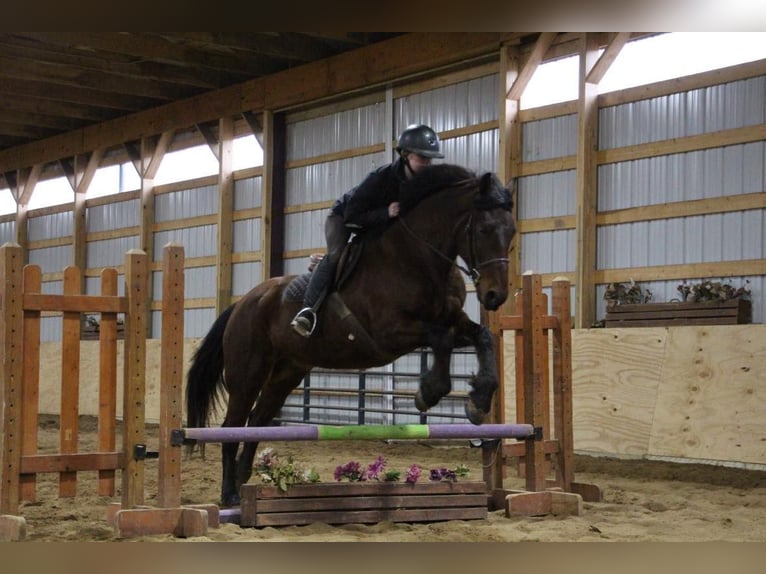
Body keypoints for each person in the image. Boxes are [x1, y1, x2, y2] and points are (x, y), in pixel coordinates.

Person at [291, 124, 445, 337]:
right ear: (405, 155)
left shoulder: (423, 185)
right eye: (423, 158)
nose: (428, 164)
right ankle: (307, 311)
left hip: (379, 226)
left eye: (430, 159)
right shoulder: (380, 178)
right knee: (337, 255)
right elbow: (353, 216)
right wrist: (386, 213)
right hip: (343, 217)